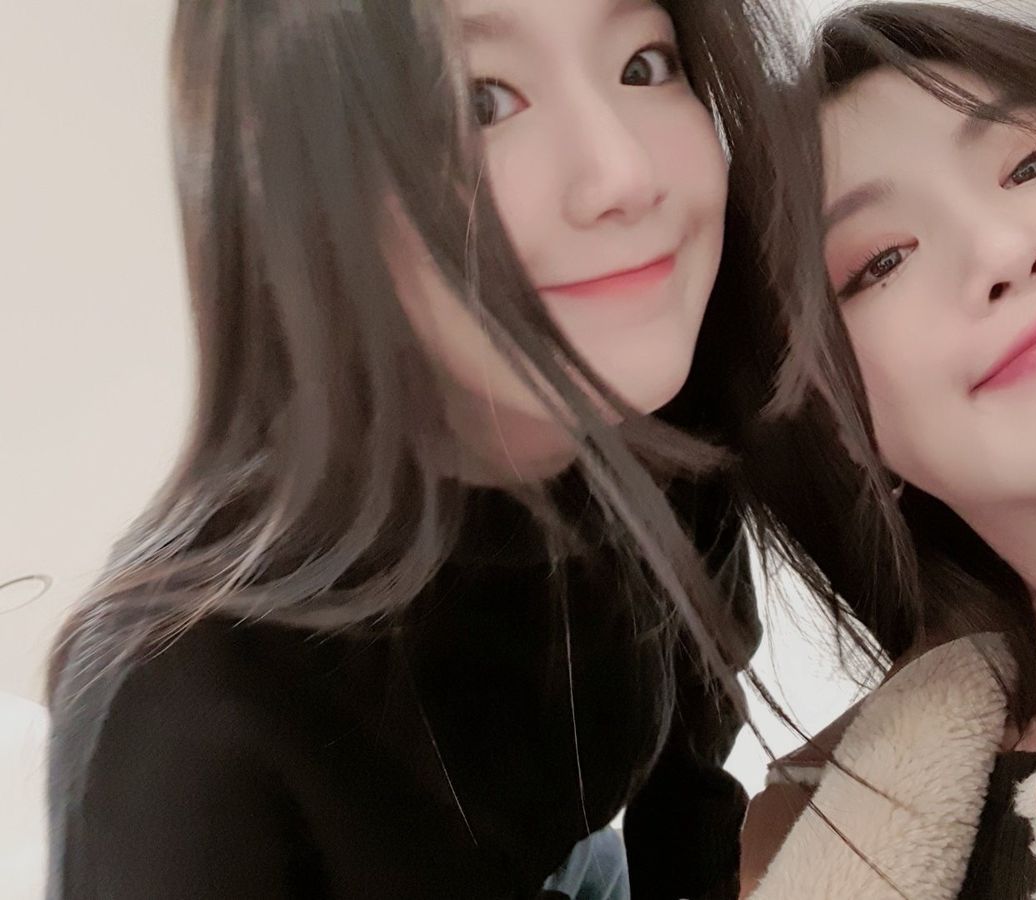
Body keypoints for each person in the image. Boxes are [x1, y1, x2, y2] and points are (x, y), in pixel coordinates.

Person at [45, 1, 830, 898]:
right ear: (302, 191)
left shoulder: (675, 435)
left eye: (643, 64)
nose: (625, 173)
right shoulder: (177, 714)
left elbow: (689, 773)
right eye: (480, 101)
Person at [740, 4, 1036, 898]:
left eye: (1034, 163)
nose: (1003, 250)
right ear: (832, 424)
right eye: (881, 262)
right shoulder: (802, 823)